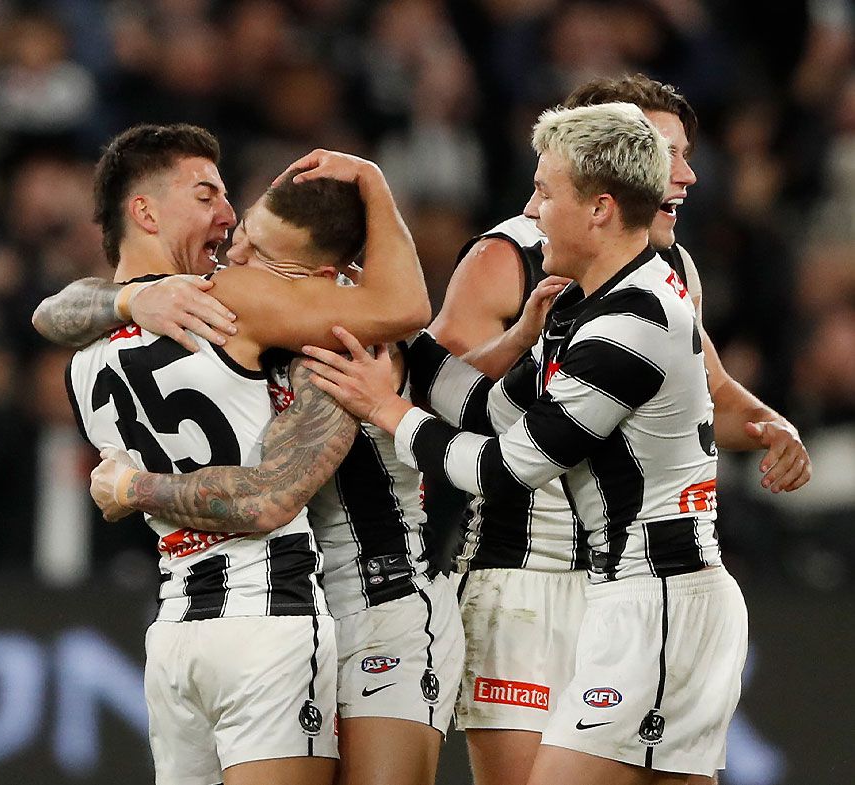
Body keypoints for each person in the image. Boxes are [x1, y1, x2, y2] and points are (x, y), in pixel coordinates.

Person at [306, 102, 747, 785]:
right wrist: (399, 333)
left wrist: (386, 407)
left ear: (599, 209)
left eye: (546, 191)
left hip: (659, 600)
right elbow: (487, 405)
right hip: (646, 597)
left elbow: (500, 467)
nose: (532, 211)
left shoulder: (631, 327)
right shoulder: (589, 303)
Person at [79, 181, 565, 785]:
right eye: (243, 238)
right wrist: (124, 303)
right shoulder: (274, 325)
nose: (238, 260)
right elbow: (57, 310)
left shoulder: (359, 341)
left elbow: (275, 494)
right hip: (303, 611)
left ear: (326, 271)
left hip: (384, 604)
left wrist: (133, 488)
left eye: (260, 253)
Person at [425, 74, 810, 785]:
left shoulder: (665, 271)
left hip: (628, 582)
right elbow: (441, 389)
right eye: (665, 153)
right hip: (527, 575)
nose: (685, 174)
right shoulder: (507, 256)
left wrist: (770, 422)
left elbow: (709, 393)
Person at [57, 123, 429, 785]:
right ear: (145, 211)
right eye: (207, 196)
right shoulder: (232, 298)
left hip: (173, 626)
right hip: (268, 617)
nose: (228, 219)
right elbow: (404, 307)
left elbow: (55, 310)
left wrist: (133, 486)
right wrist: (372, 182)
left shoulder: (82, 352)